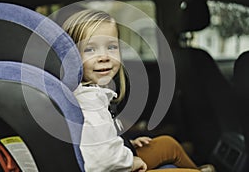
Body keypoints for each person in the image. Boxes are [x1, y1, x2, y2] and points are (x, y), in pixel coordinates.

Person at [61, 9, 215, 172]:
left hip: (112, 157)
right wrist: (129, 162)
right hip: (112, 167)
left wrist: (125, 144)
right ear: (72, 57)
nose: (104, 56)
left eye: (111, 47)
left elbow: (99, 142)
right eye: (90, 49)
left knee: (167, 144)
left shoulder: (93, 92)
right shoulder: (89, 103)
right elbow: (100, 161)